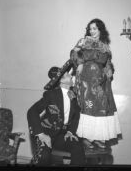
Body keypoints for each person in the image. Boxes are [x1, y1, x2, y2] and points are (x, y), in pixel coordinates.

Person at [70, 18, 122, 150]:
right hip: (86, 78)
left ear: (100, 30)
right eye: (90, 28)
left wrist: (109, 70)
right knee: (88, 106)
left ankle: (98, 137)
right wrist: (80, 63)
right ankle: (87, 137)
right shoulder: (83, 41)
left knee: (102, 106)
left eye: (95, 28)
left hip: (101, 80)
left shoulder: (105, 46)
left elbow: (108, 62)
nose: (92, 31)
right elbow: (74, 53)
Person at [27, 66, 86, 166]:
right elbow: (32, 111)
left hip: (62, 135)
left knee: (78, 148)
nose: (71, 77)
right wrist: (41, 134)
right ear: (62, 81)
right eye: (68, 75)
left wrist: (70, 131)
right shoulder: (51, 95)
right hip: (47, 133)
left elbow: (76, 114)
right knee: (44, 157)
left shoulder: (72, 94)